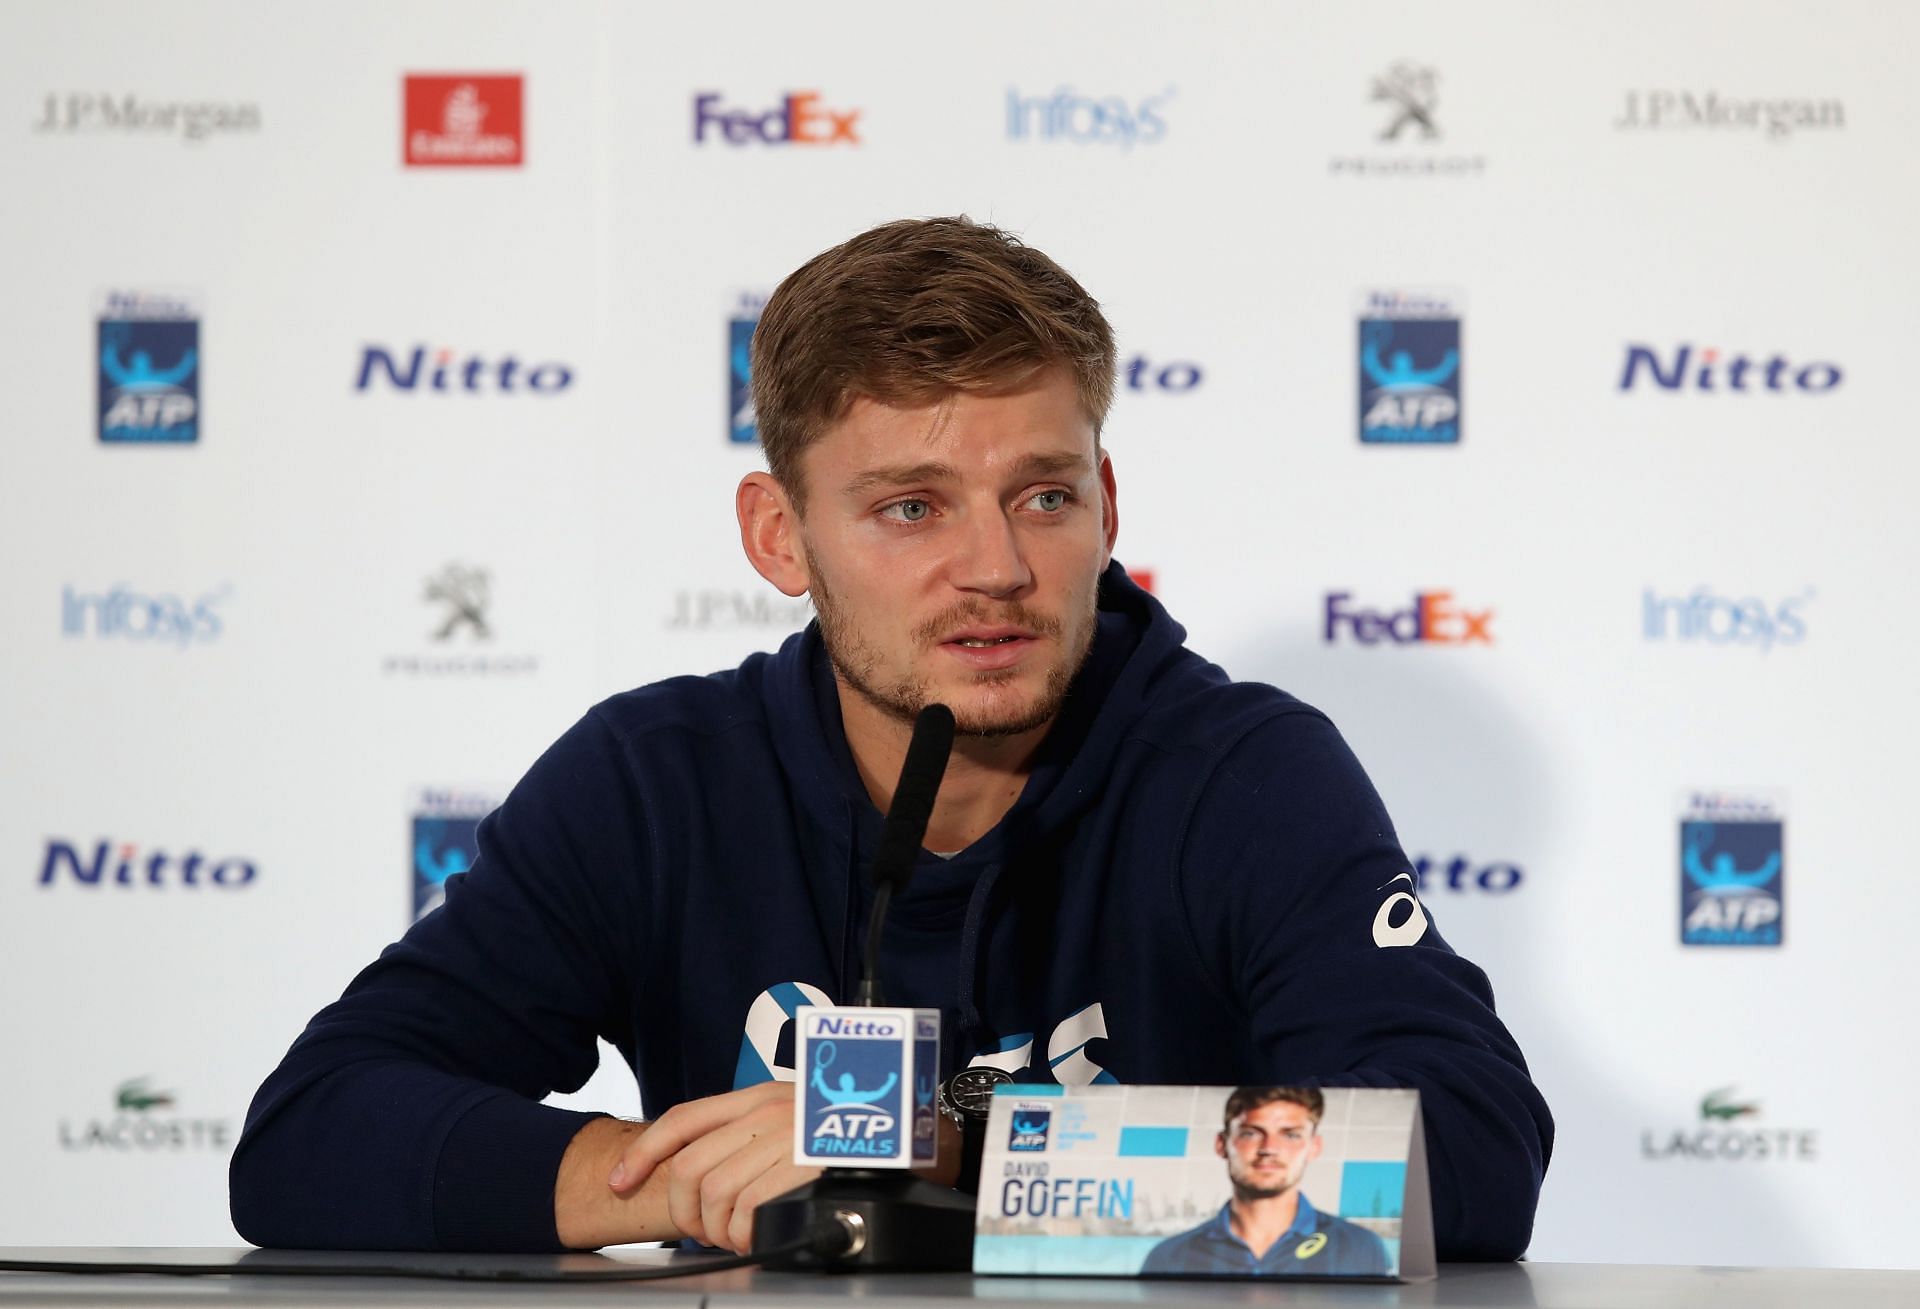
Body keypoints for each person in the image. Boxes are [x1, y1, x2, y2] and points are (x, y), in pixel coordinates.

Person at [229, 216, 1552, 1260]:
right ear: (777, 536)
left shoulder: (1241, 774)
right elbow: (310, 1135)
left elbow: (1467, 1154)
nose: (995, 567)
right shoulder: (657, 781)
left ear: (1105, 501)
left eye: (1041, 495)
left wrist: (953, 1152)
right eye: (911, 508)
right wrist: (683, 1181)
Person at [1141, 1087, 1391, 1277]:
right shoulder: (1169, 1255)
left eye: (1290, 1135)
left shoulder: (1361, 1247)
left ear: (1314, 1147)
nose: (1269, 1149)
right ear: (1222, 1144)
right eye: (1250, 1133)